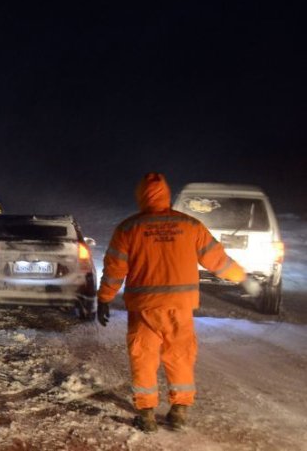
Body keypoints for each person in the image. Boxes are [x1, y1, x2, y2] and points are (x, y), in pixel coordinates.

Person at [97, 173, 260, 432]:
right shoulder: (190, 226)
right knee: (180, 356)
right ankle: (179, 411)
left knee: (143, 357)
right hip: (180, 307)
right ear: (167, 195)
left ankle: (147, 414)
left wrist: (104, 298)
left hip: (144, 309)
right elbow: (217, 260)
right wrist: (244, 278)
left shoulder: (128, 228)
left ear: (141, 196)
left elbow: (115, 269)